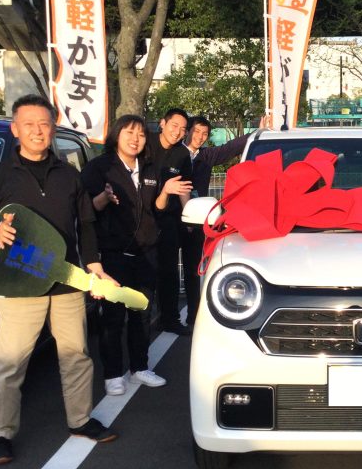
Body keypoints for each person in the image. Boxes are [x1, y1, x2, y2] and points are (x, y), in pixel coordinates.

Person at [0, 94, 117, 466]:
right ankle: (0, 435)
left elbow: (85, 224)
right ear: (15, 129)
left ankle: (80, 420)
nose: (38, 131)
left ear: (53, 128)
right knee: (10, 363)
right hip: (18, 284)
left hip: (66, 281)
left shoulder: (69, 175)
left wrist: (94, 265)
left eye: (44, 124)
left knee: (76, 356)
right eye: (29, 124)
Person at [82, 114, 191, 395]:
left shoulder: (150, 167)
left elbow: (156, 208)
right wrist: (104, 198)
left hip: (146, 253)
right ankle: (112, 374)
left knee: (141, 312)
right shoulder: (100, 168)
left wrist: (165, 191)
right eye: (129, 133)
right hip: (112, 255)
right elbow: (86, 212)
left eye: (141, 134)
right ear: (116, 135)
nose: (135, 139)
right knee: (113, 318)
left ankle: (140, 367)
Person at [178, 113, 268, 321]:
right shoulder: (174, 153)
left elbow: (230, 148)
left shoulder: (206, 156)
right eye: (196, 131)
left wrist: (258, 131)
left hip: (197, 218)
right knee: (166, 269)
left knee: (193, 269)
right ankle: (167, 316)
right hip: (170, 218)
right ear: (187, 131)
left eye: (205, 134)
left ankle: (192, 315)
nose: (200, 137)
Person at [149, 108, 194, 335]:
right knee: (144, 269)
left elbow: (184, 189)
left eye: (183, 129)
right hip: (142, 217)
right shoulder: (145, 144)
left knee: (169, 271)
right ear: (162, 123)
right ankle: (139, 318)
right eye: (174, 126)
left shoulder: (182, 154)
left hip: (168, 219)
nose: (177, 132)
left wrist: (190, 216)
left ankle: (170, 319)